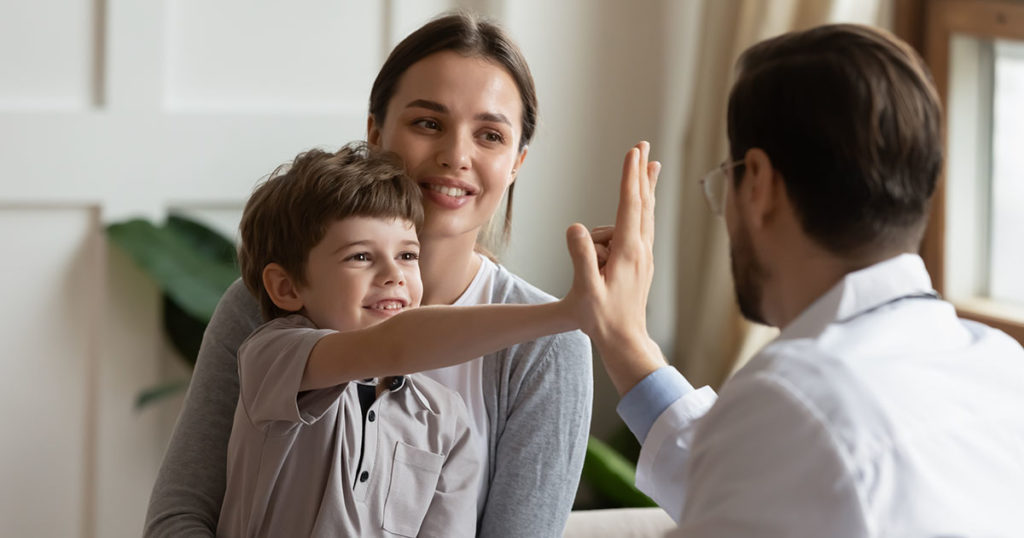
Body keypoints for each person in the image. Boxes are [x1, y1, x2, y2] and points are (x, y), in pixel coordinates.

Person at [565, 24, 1024, 537]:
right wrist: (626, 340)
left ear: (758, 183)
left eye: (726, 179)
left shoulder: (792, 399)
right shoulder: (1004, 367)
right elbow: (756, 484)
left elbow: (771, 471)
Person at [145, 13, 593, 538]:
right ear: (376, 133)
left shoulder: (547, 351)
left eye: (490, 135)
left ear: (516, 162)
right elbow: (179, 519)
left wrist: (564, 320)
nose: (456, 156)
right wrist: (569, 311)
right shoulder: (267, 310)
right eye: (428, 123)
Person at [218, 143, 586, 537]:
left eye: (409, 256)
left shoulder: (444, 419)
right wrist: (566, 314)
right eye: (360, 257)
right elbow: (394, 345)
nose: (394, 274)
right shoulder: (273, 357)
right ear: (287, 287)